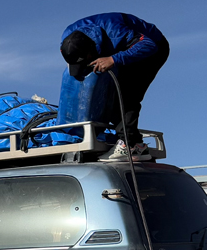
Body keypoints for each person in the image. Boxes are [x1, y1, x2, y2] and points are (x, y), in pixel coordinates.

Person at [60, 12, 169, 160]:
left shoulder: (116, 33)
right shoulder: (67, 37)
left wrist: (113, 59)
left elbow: (149, 45)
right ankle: (134, 142)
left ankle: (130, 146)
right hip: (115, 48)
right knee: (105, 94)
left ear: (92, 51)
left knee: (125, 94)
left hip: (151, 48)